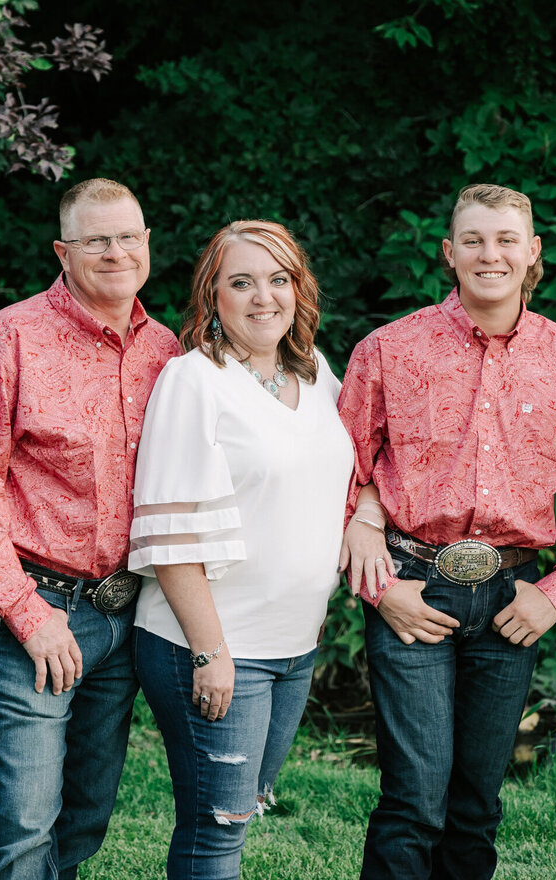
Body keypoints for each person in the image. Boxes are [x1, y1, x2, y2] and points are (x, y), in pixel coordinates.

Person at [338, 183, 556, 880]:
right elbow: (337, 473)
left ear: (534, 254)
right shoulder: (387, 351)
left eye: (505, 240)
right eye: (473, 241)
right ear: (448, 254)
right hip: (411, 587)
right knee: (413, 800)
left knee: (476, 804)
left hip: (512, 596)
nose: (490, 254)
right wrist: (376, 585)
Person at [0, 178, 180, 878]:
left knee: (85, 816)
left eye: (128, 236)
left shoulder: (169, 353)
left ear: (148, 244)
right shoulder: (7, 340)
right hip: (29, 612)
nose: (115, 251)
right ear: (62, 251)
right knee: (25, 824)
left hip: (124, 616)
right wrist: (25, 613)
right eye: (95, 239)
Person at [129, 220, 354, 880]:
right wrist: (211, 651)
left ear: (298, 289)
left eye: (278, 280)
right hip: (214, 645)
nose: (264, 297)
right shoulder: (192, 380)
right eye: (242, 282)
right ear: (213, 295)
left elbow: (353, 480)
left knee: (242, 810)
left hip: (293, 647)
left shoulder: (315, 376)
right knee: (215, 833)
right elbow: (167, 535)